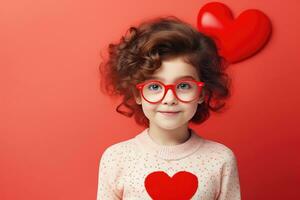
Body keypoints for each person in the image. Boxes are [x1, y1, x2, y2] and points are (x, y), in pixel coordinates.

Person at [97, 15, 241, 200]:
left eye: (183, 86)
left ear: (202, 93)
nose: (170, 99)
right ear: (137, 94)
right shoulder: (116, 158)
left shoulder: (221, 159)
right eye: (155, 87)